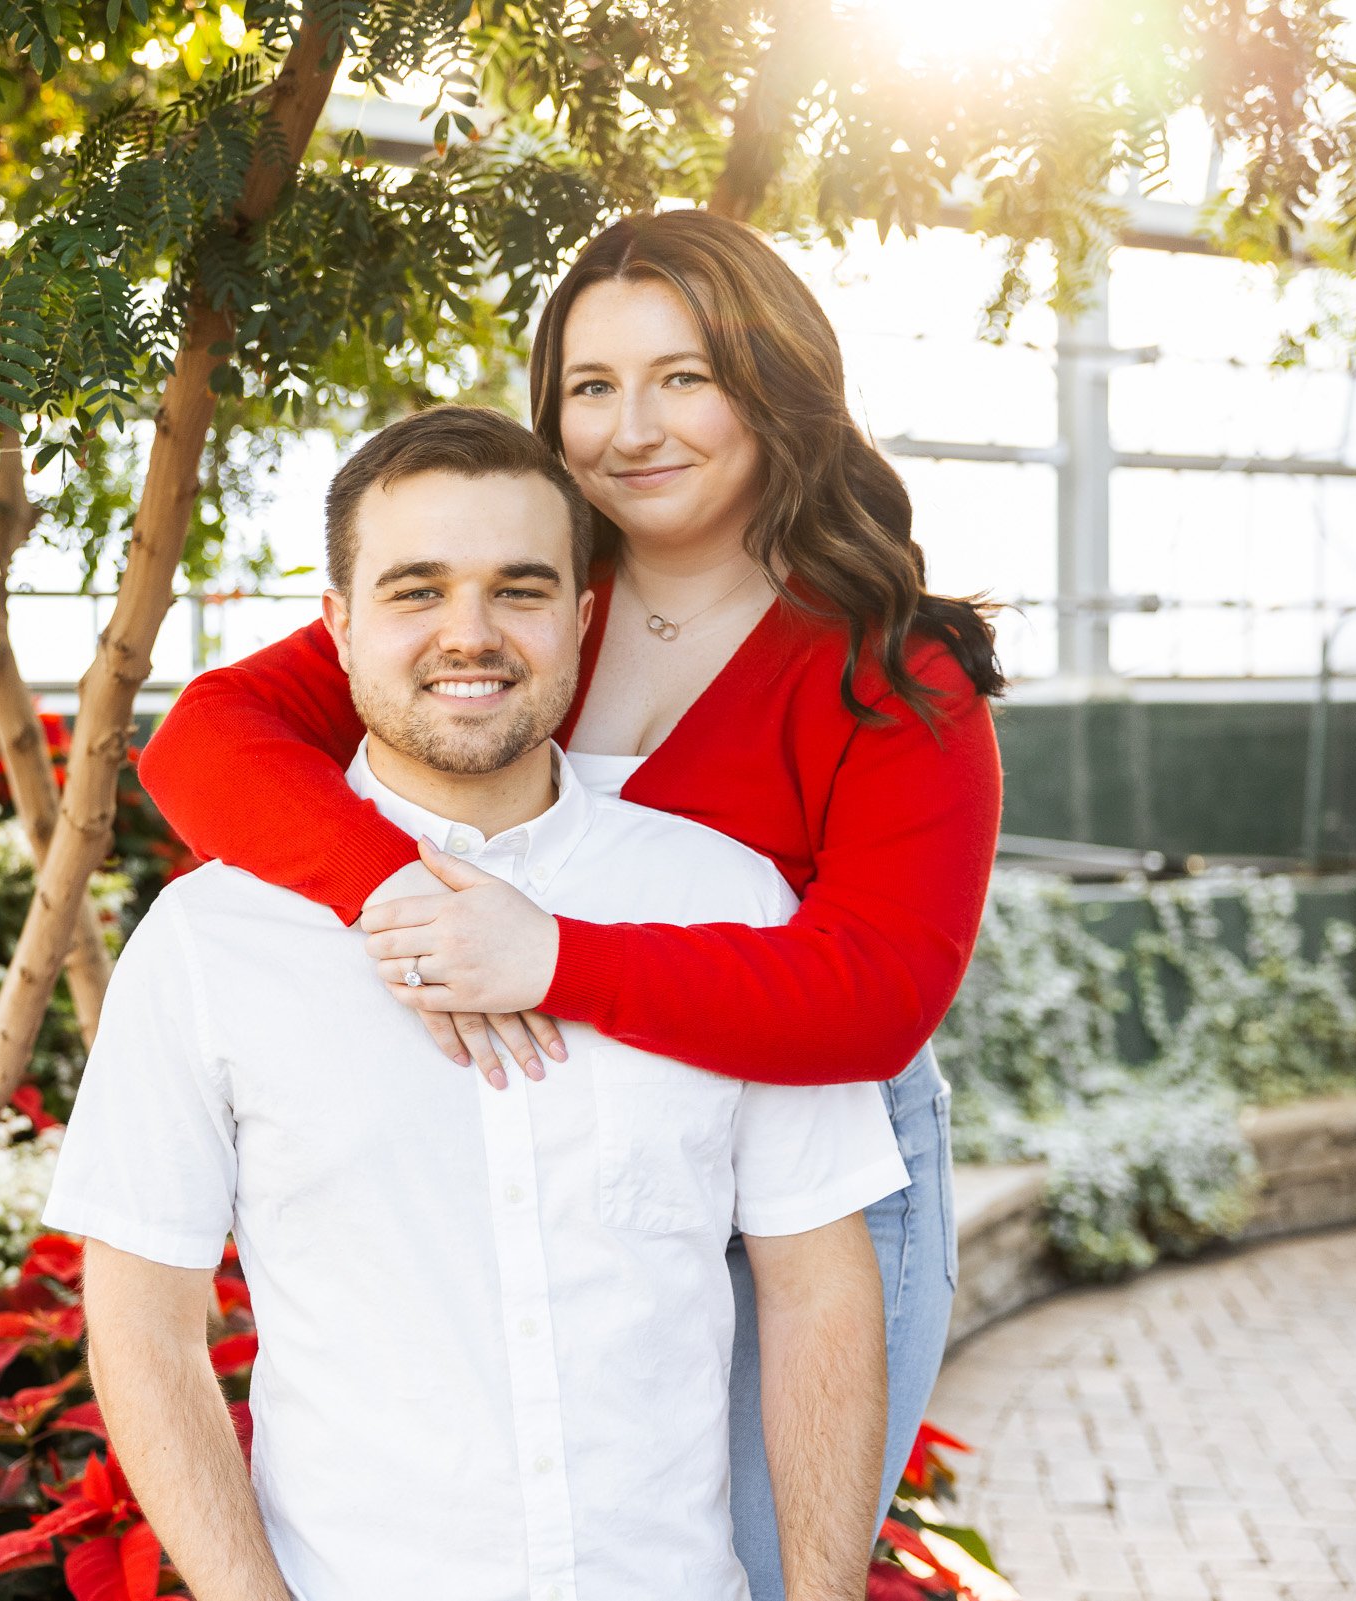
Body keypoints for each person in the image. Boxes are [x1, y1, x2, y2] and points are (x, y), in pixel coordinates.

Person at [135, 211, 1005, 1598]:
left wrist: (549, 958)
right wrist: (412, 905)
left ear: (772, 381)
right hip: (540, 1116)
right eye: (589, 387)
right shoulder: (524, 604)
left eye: (684, 375)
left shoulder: (895, 674)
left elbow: (875, 999)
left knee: (756, 1568)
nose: (631, 428)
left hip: (813, 1161)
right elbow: (202, 743)